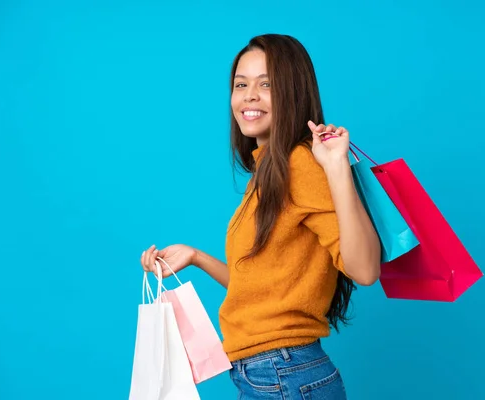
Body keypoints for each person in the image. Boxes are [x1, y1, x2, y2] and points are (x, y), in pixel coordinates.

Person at [140, 34, 381, 399]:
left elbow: (365, 270)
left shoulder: (301, 165)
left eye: (266, 84)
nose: (249, 95)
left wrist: (336, 169)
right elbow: (261, 289)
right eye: (241, 84)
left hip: (283, 373)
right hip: (272, 373)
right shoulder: (269, 172)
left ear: (293, 93)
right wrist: (197, 258)